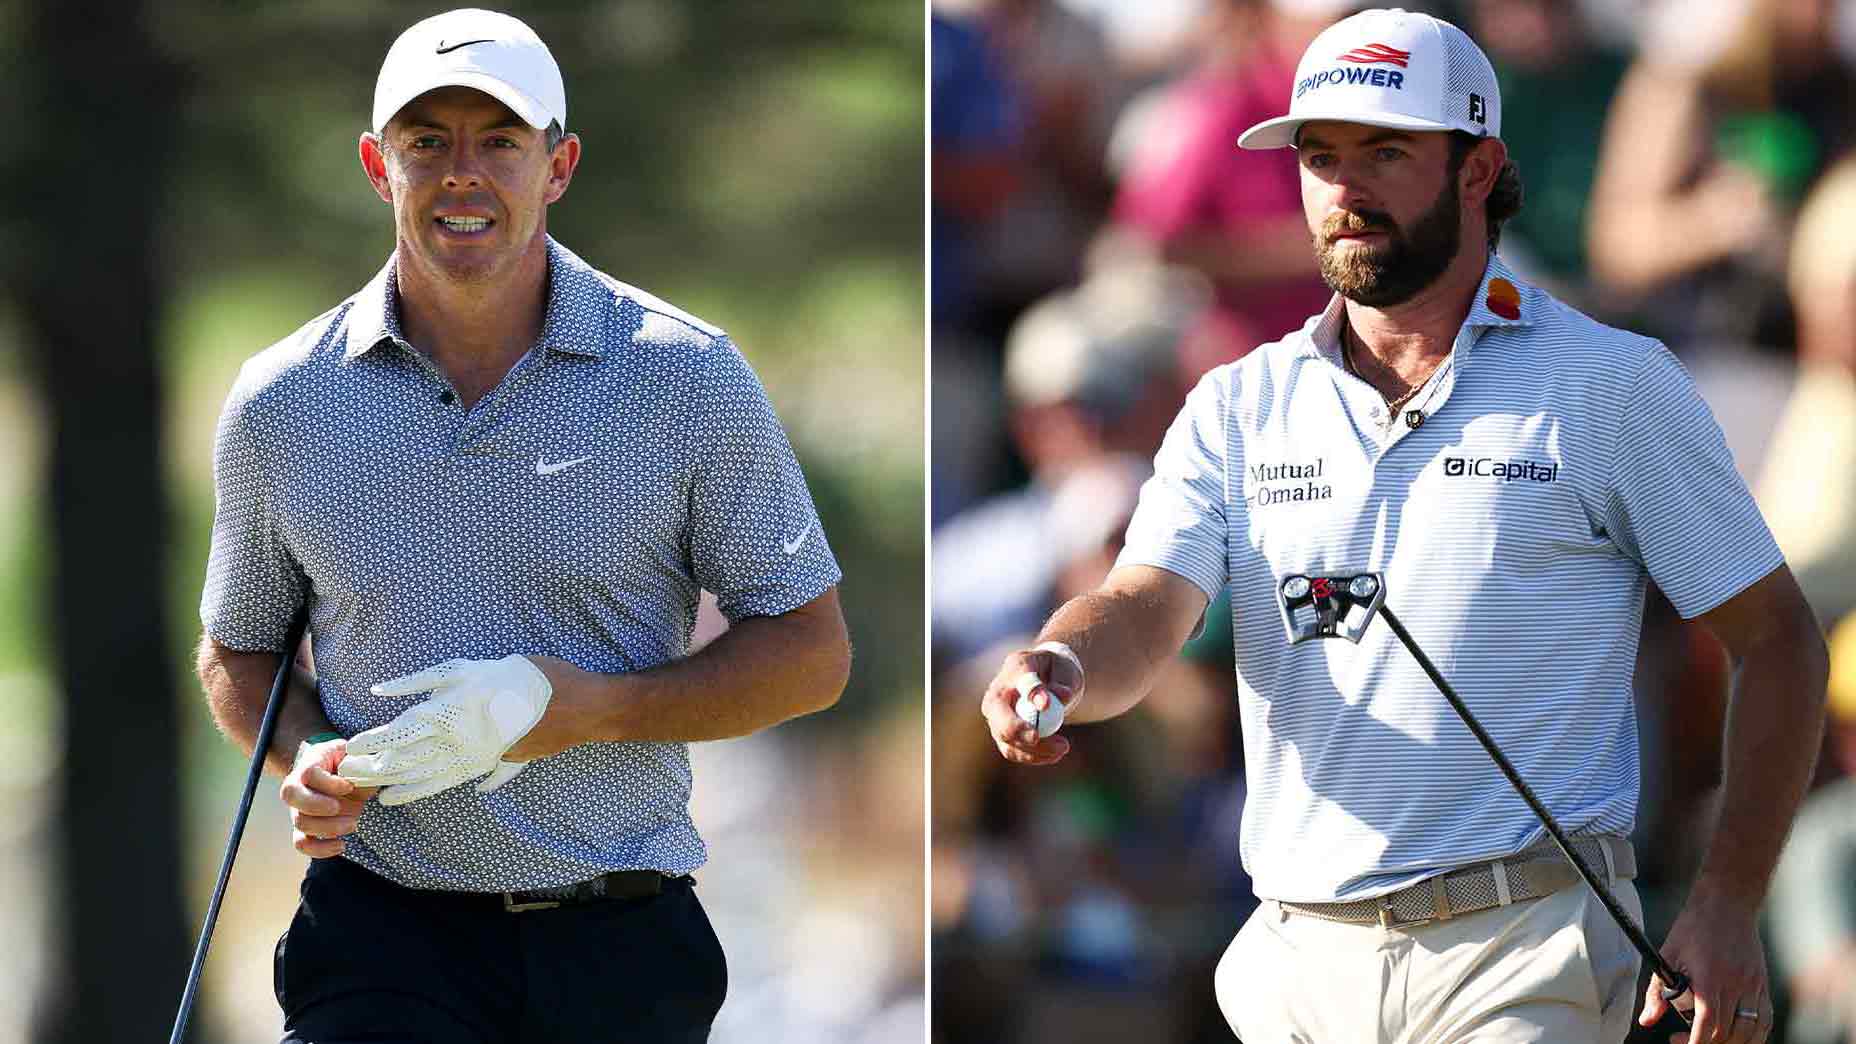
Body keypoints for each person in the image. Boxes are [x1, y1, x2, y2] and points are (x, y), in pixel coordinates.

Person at [979, 9, 1828, 1043]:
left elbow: (1775, 639)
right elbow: (1139, 605)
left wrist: (1727, 900)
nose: (1342, 188)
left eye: (1384, 151)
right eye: (1319, 155)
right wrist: (1061, 663)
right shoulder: (1235, 403)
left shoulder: (1611, 385)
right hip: (1293, 965)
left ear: (1477, 170)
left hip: (1525, 953)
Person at [194, 10, 850, 1042]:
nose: (463, 173)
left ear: (558, 165)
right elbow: (239, 648)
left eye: (500, 140)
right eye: (426, 143)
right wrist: (310, 754)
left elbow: (811, 655)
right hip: (380, 935)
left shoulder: (683, 375)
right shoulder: (282, 401)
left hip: (618, 937)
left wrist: (593, 711)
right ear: (377, 166)